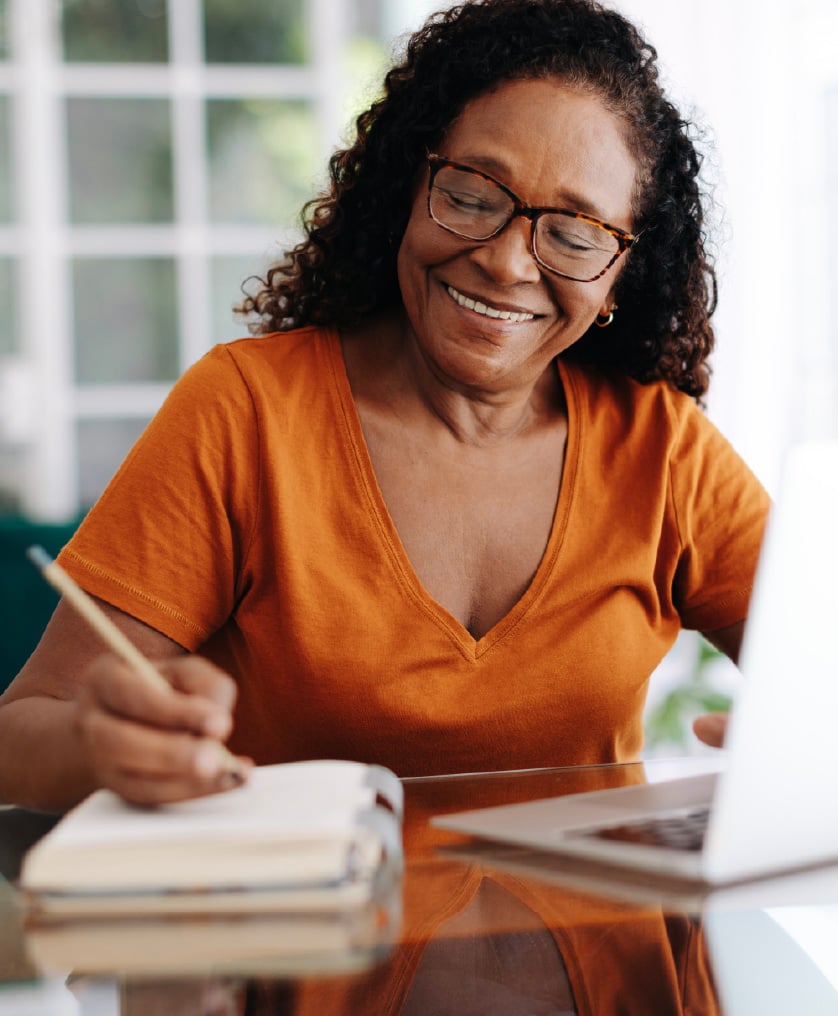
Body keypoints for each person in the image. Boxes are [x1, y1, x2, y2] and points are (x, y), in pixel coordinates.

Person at [0, 0, 769, 812]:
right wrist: (99, 744)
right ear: (408, 186)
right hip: (311, 930)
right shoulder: (246, 413)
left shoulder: (663, 451)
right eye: (473, 196)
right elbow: (19, 734)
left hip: (605, 940)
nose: (507, 264)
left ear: (620, 274)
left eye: (574, 235)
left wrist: (799, 737)